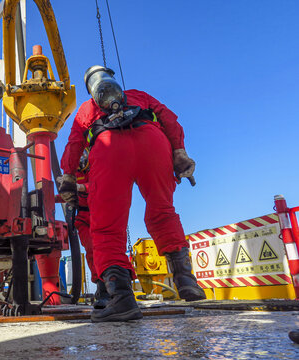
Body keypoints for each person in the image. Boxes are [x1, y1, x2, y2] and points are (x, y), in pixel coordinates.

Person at [59, 65, 205, 323]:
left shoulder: (87, 109)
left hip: (108, 150)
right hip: (154, 143)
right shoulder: (138, 95)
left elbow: (74, 144)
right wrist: (180, 152)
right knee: (163, 211)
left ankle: (122, 299)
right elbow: (169, 118)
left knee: (106, 227)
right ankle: (186, 281)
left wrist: (69, 176)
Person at [74, 148, 110, 309]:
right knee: (91, 252)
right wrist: (52, 197)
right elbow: (69, 192)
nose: (81, 158)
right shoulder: (74, 173)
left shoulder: (98, 167)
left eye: (83, 154)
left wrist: (81, 188)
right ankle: (101, 289)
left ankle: (113, 288)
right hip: (82, 218)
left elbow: (101, 185)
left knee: (104, 251)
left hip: (100, 213)